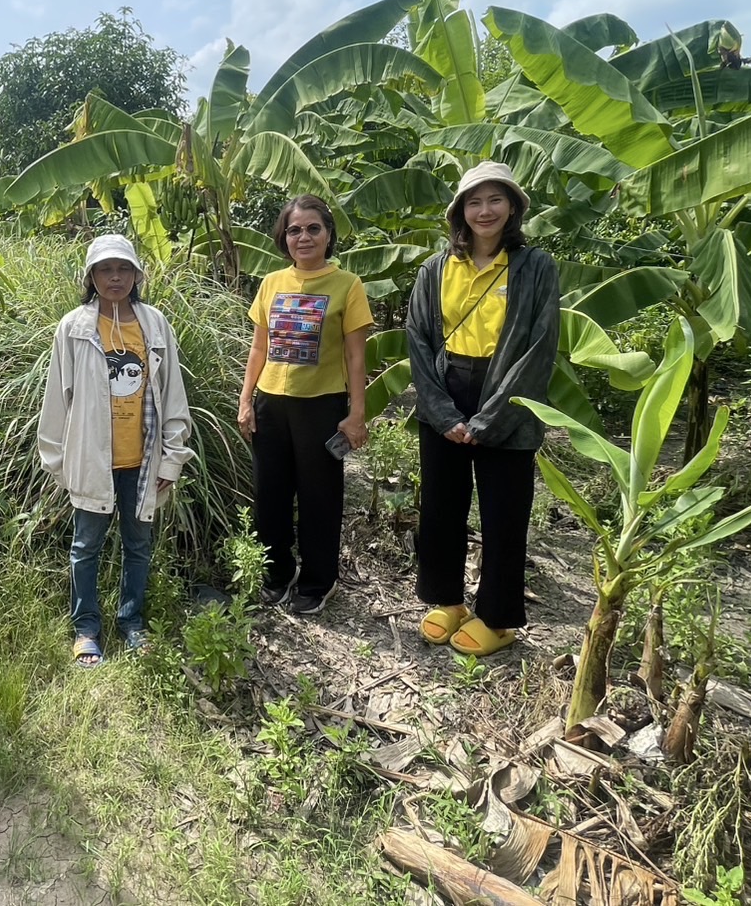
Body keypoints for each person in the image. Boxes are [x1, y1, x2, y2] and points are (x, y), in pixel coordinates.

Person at [407, 161, 560, 657]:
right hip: (447, 391)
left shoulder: (535, 267)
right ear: (459, 211)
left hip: (508, 396)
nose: (484, 210)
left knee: (503, 510)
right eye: (474, 201)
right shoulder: (435, 268)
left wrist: (491, 417)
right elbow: (419, 339)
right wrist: (441, 411)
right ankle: (446, 600)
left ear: (512, 207)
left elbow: (539, 349)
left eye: (495, 200)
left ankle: (496, 616)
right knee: (441, 506)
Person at [38, 234, 194, 666]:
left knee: (138, 544)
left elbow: (172, 395)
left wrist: (172, 457)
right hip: (93, 460)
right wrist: (59, 462)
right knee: (85, 546)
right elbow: (57, 398)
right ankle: (86, 628)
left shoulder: (155, 324)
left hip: (142, 461)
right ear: (91, 276)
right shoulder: (74, 327)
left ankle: (132, 622)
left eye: (123, 268)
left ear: (136, 274)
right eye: (105, 269)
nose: (115, 277)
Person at [238, 195, 372, 616]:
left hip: (321, 406)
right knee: (270, 496)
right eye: (294, 229)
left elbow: (355, 357)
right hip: (271, 405)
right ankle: (278, 574)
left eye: (313, 228)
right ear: (284, 237)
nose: (304, 236)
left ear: (328, 234)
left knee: (319, 498)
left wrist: (356, 412)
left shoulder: (347, 285)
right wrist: (245, 400)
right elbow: (259, 348)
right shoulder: (271, 283)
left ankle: (319, 580)